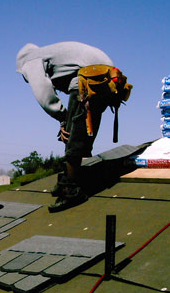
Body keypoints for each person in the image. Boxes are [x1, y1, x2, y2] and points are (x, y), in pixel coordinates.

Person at [16, 42, 132, 212]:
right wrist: (65, 119)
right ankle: (70, 178)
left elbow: (43, 93)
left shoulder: (30, 61)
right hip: (108, 77)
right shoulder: (53, 55)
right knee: (81, 132)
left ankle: (71, 190)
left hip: (89, 77)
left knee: (73, 136)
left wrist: (62, 117)